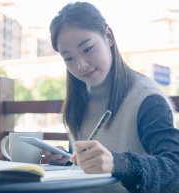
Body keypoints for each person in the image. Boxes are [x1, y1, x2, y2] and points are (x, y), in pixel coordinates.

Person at [42, 1, 179, 193]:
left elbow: (175, 169)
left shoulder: (147, 99)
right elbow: (91, 171)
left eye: (87, 49)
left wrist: (118, 163)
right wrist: (68, 160)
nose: (80, 65)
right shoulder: (79, 100)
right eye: (69, 58)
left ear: (108, 36)